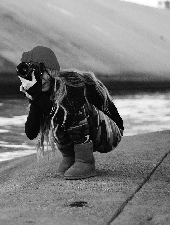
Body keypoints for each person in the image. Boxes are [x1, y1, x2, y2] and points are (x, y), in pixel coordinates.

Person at [17, 46, 124, 180]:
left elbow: (70, 117)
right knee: (54, 112)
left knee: (69, 110)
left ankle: (85, 161)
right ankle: (71, 157)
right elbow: (31, 133)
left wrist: (38, 95)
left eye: (43, 72)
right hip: (91, 131)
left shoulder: (73, 82)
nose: (41, 78)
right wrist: (34, 98)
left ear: (53, 71)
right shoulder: (41, 91)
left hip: (110, 133)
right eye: (36, 74)